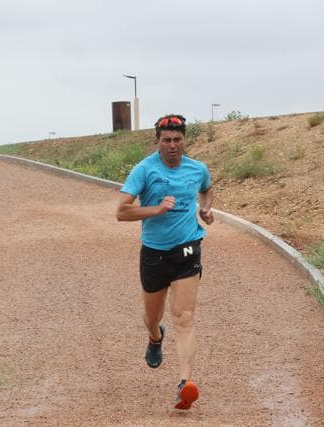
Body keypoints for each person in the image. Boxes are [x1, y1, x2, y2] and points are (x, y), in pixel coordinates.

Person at [116, 114, 214, 410]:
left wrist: (205, 210)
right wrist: (157, 210)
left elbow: (206, 189)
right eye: (166, 140)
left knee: (184, 317)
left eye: (177, 139)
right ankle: (155, 338)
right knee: (152, 318)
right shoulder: (144, 170)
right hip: (154, 254)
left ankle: (185, 384)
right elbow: (122, 211)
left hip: (187, 249)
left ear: (185, 140)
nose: (172, 145)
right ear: (157, 141)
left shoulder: (197, 169)